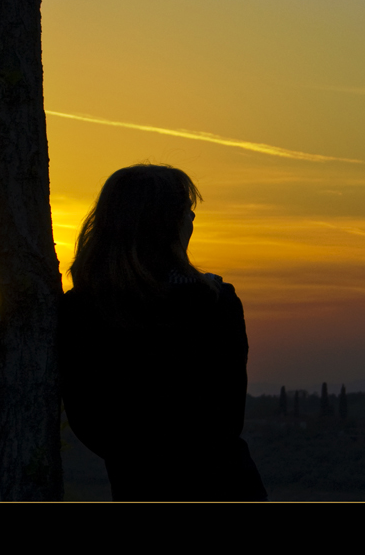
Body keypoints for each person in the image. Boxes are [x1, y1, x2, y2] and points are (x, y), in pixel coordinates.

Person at [58, 164, 267, 501]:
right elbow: (228, 417)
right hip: (225, 485)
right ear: (166, 224)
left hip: (139, 485)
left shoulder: (79, 310)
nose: (192, 223)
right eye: (187, 212)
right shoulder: (214, 302)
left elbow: (90, 422)